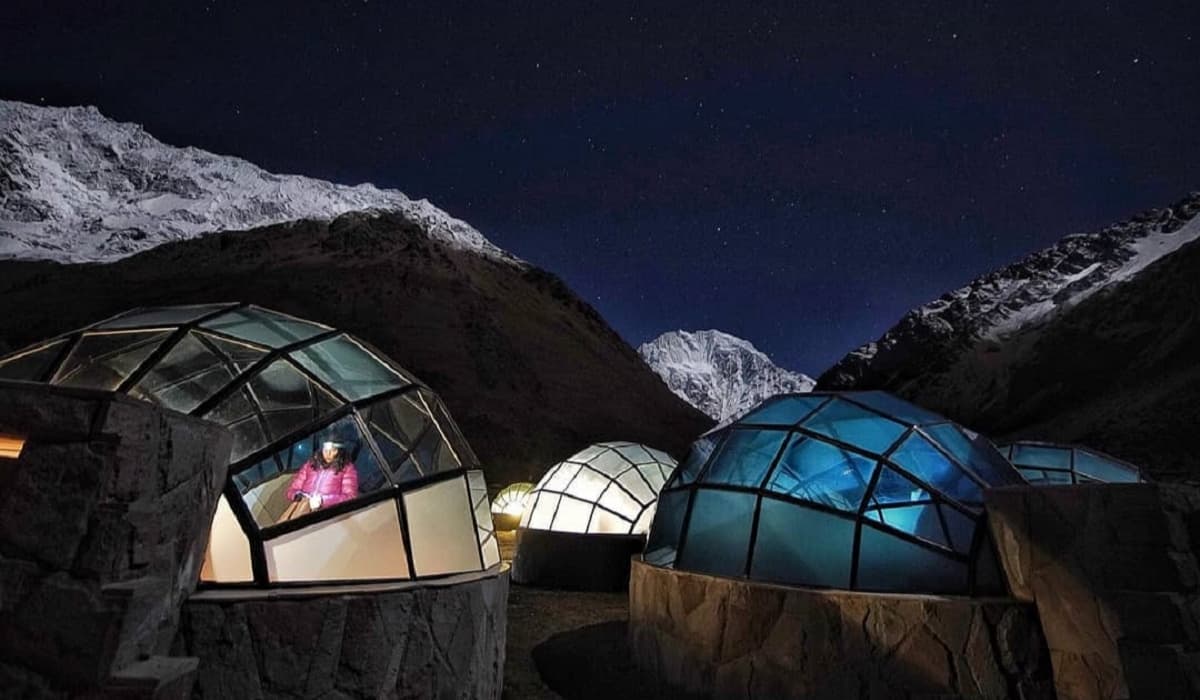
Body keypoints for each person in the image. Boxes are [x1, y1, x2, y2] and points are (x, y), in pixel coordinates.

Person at [284, 438, 360, 515]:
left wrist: (323, 500)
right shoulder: (310, 465)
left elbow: (350, 497)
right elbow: (292, 490)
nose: (328, 453)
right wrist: (296, 495)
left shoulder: (347, 468)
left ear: (340, 451)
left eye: (333, 450)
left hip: (327, 514)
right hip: (301, 509)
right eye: (325, 450)